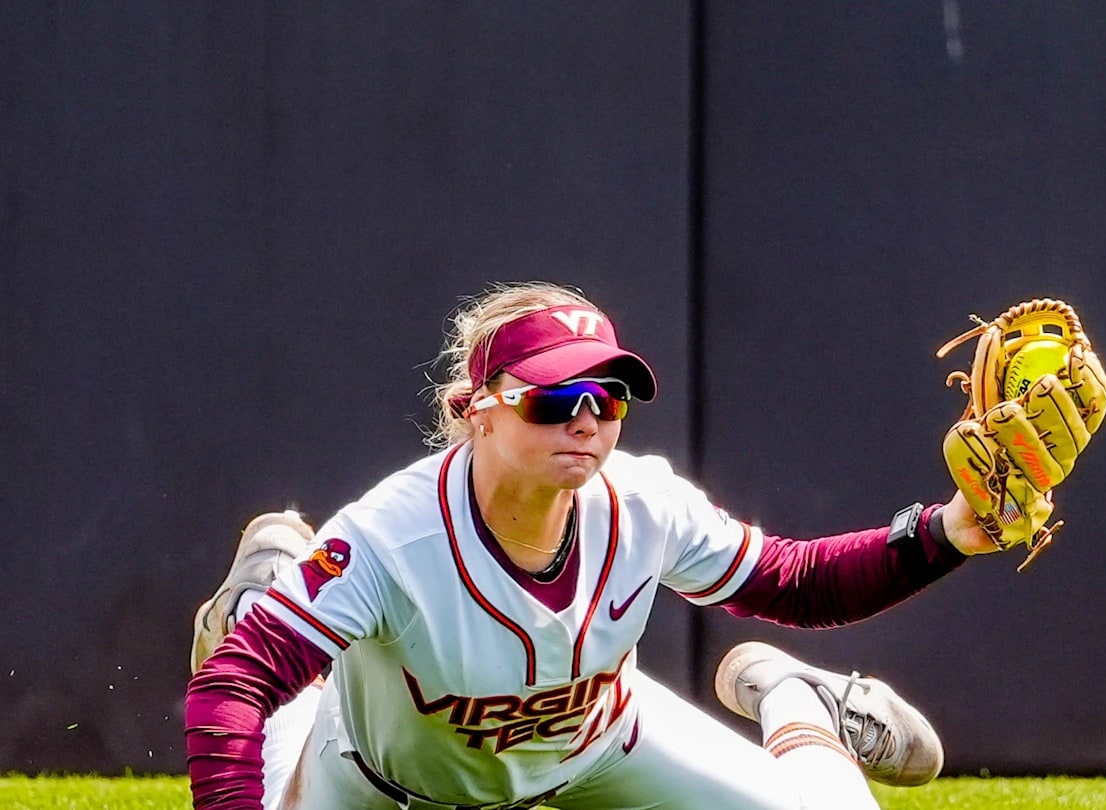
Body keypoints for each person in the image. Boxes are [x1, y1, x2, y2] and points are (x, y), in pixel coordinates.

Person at [185, 281, 1030, 810]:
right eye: (555, 396)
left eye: (612, 393)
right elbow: (233, 686)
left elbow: (793, 582)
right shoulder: (393, 535)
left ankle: (798, 705)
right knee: (270, 670)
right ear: (475, 408)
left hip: (597, 745)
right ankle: (268, 584)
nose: (588, 415)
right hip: (374, 778)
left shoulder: (642, 505)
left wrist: (952, 528)